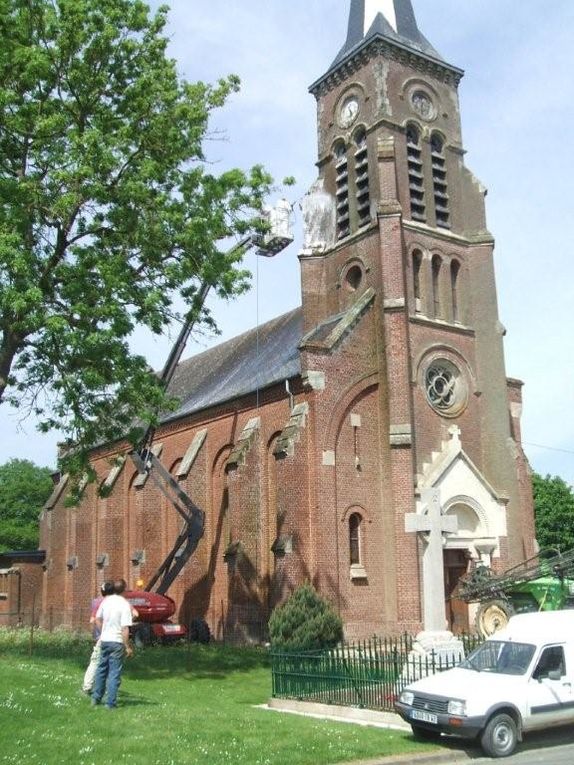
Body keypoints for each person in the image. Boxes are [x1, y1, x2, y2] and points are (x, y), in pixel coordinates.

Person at [91, 578, 133, 709]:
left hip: (105, 640)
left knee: (101, 669)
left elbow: (97, 619)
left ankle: (96, 698)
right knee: (114, 673)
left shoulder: (106, 601)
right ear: (124, 589)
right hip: (117, 642)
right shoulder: (125, 604)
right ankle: (110, 703)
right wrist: (127, 646)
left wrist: (103, 630)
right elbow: (125, 628)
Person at [82, 581, 114, 694]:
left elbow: (92, 620)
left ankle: (87, 687)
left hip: (101, 637)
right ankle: (107, 688)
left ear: (102, 591)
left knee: (95, 662)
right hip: (115, 638)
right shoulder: (117, 603)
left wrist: (100, 632)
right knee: (111, 664)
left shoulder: (96, 602)